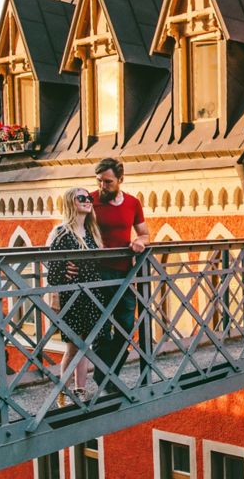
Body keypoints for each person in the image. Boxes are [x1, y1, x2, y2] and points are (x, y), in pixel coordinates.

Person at [45, 186, 109, 404]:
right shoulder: (62, 233)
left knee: (84, 345)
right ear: (71, 202)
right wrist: (64, 271)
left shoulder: (92, 233)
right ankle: (63, 390)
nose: (87, 201)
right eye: (81, 198)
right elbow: (52, 272)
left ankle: (79, 390)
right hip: (73, 298)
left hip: (92, 297)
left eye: (89, 198)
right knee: (74, 347)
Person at [91, 157, 150, 388]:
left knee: (126, 326)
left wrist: (140, 241)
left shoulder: (133, 203)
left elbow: (145, 233)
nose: (102, 186)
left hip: (124, 274)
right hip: (96, 273)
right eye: (99, 181)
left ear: (120, 180)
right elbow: (72, 227)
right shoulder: (89, 200)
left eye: (107, 182)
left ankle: (105, 374)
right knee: (101, 328)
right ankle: (106, 379)